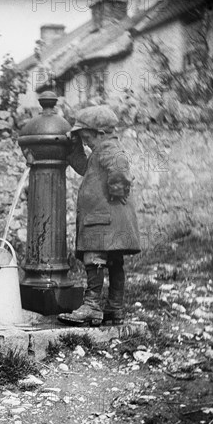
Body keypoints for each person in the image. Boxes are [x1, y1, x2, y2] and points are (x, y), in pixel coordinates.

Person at [58, 105, 141, 327]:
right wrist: (74, 147)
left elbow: (120, 168)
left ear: (101, 134)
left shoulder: (109, 149)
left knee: (93, 258)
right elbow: (84, 166)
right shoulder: (99, 152)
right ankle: (115, 308)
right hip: (106, 219)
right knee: (114, 262)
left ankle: (92, 306)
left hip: (104, 218)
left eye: (87, 138)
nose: (86, 143)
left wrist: (117, 189)